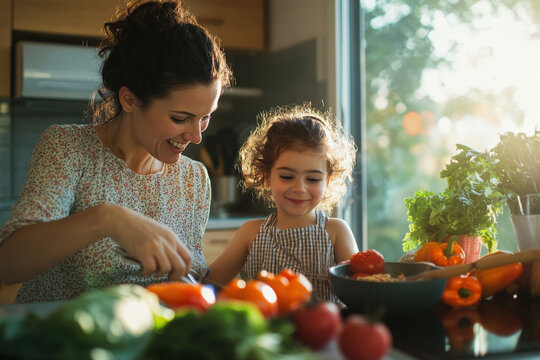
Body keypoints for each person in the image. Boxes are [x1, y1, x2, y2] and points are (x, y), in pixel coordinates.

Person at [0, 0, 233, 303]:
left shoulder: (194, 178)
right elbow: (8, 265)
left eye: (206, 117)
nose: (197, 136)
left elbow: (184, 282)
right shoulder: (68, 150)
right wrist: (106, 219)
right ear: (130, 100)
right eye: (180, 118)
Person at [207, 104, 359, 303]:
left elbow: (361, 293)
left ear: (327, 181)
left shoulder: (337, 232)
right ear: (266, 176)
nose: (299, 188)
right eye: (287, 177)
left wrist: (346, 285)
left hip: (323, 331)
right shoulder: (250, 234)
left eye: (312, 179)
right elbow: (209, 284)